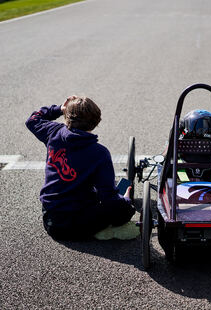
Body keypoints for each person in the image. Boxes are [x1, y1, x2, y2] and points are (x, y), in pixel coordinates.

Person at [26, 96, 135, 240]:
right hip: (78, 223)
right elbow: (109, 198)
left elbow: (32, 120)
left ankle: (97, 229)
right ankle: (102, 230)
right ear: (96, 121)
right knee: (124, 208)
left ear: (67, 117)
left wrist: (59, 109)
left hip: (50, 220)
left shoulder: (53, 132)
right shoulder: (99, 152)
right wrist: (126, 201)